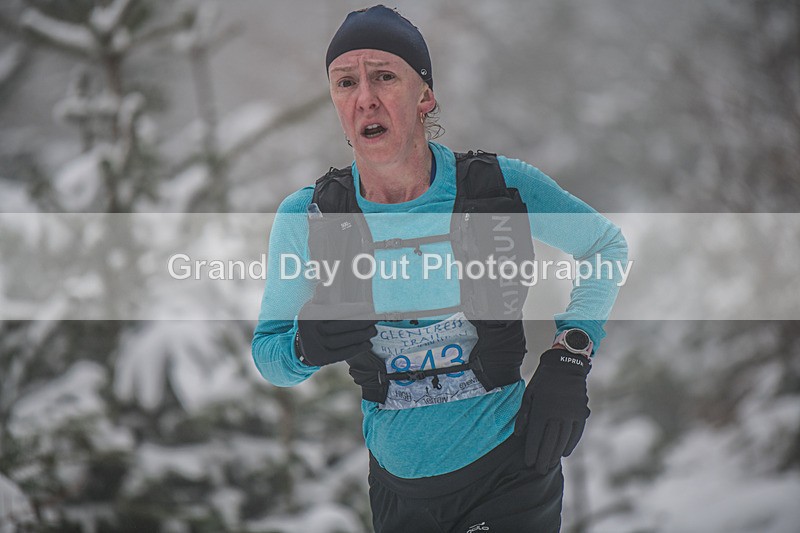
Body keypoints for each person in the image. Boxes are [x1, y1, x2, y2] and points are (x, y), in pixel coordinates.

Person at [252, 5, 627, 532]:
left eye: (385, 75)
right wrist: (304, 346)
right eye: (345, 82)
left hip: (508, 473)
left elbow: (606, 248)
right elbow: (268, 355)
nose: (365, 97)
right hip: (396, 492)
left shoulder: (495, 188)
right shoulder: (312, 215)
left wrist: (571, 355)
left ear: (424, 95)